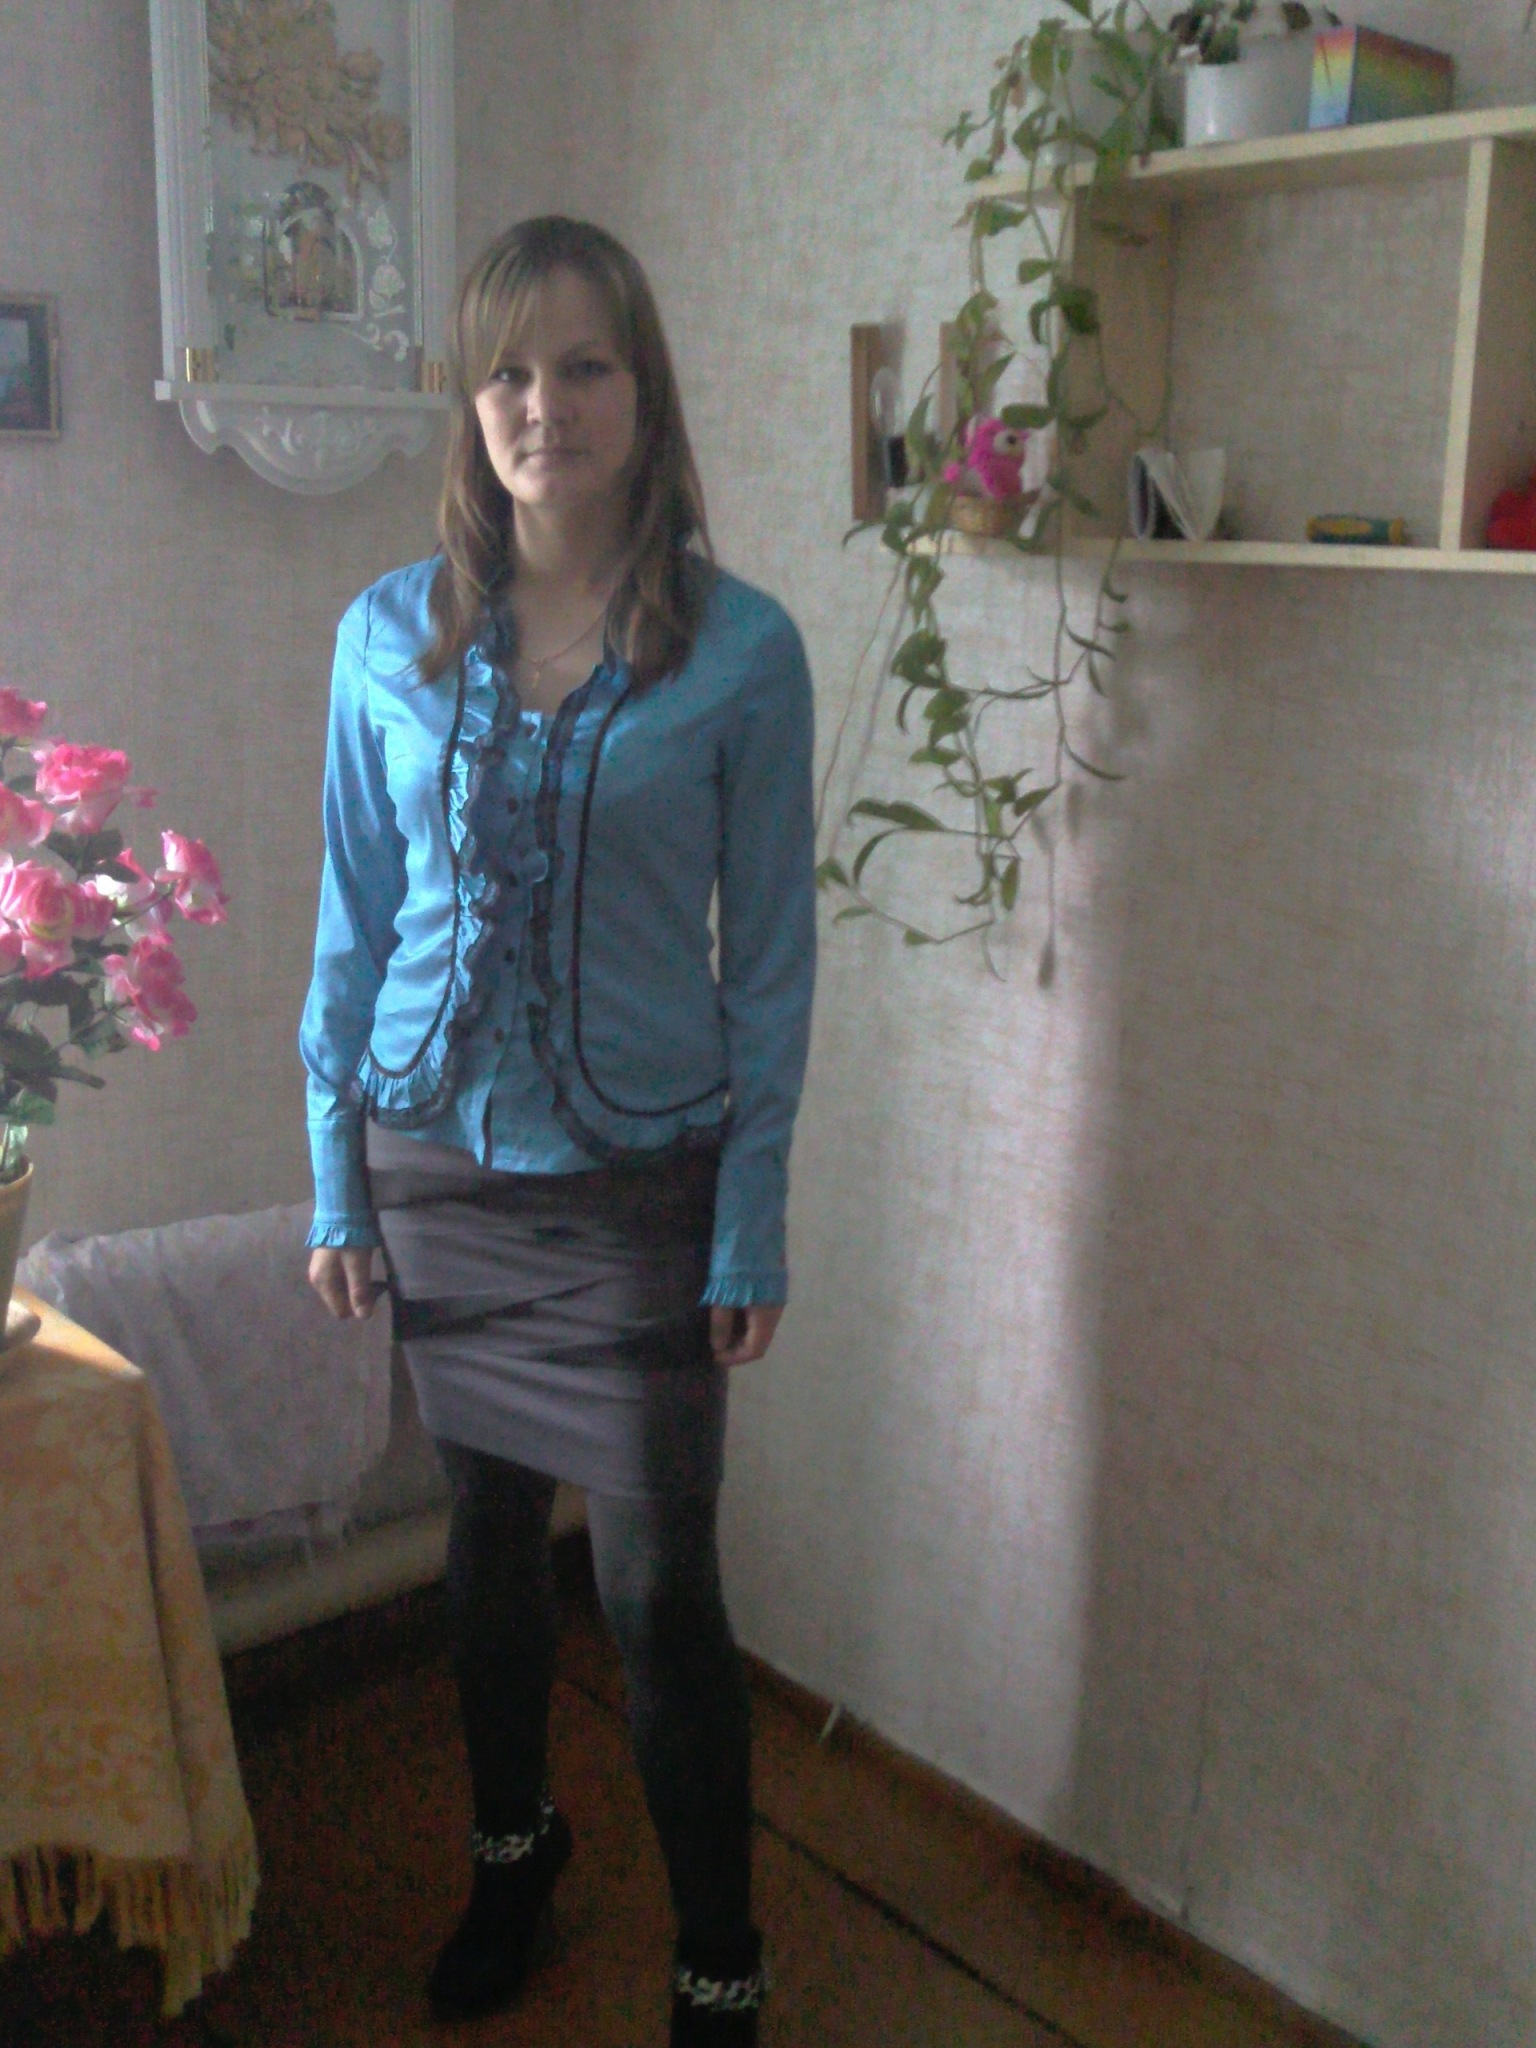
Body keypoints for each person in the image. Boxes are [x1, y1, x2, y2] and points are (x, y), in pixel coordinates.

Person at [299, 215, 816, 2046]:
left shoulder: (741, 650)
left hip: (639, 1189)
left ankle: (720, 1949)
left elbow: (772, 965)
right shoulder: (386, 635)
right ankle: (513, 1856)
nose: (545, 404)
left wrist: (749, 1215)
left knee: (662, 1593)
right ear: (472, 402)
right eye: (508, 371)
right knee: (488, 1546)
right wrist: (334, 1174)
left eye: (584, 364)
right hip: (434, 1166)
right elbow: (355, 923)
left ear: (643, 391)